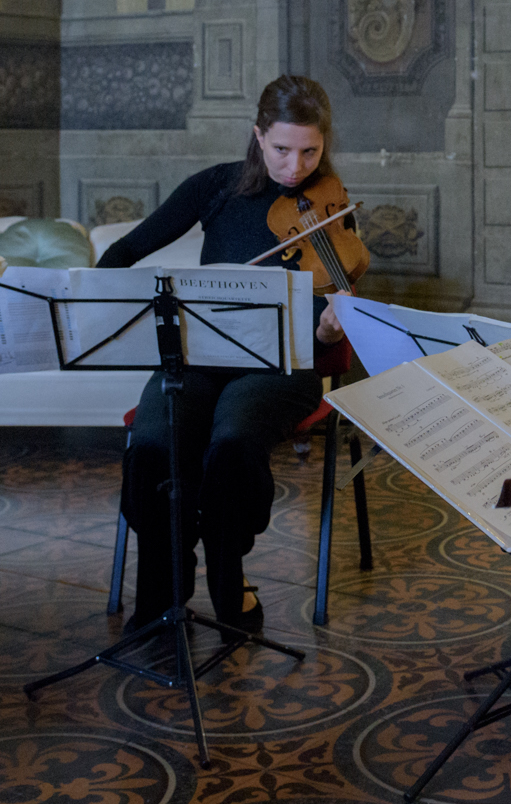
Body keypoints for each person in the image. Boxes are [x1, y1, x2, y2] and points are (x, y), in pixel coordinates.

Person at [99, 75, 354, 634]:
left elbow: (335, 312)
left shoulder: (330, 204)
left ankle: (227, 567)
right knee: (151, 444)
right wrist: (96, 304)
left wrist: (333, 333)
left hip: (285, 364)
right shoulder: (215, 188)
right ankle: (166, 579)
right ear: (258, 136)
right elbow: (125, 249)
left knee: (232, 442)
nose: (295, 167)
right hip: (197, 358)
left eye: (311, 151)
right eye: (282, 149)